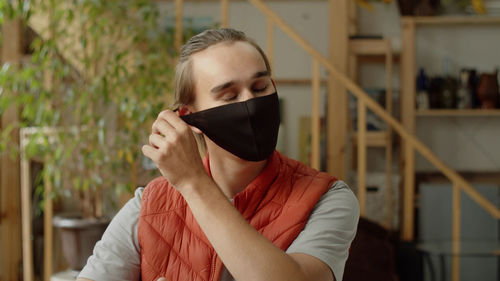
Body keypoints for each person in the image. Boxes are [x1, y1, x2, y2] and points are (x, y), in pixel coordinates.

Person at [77, 28, 359, 281]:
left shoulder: (327, 198)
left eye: (260, 87)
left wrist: (193, 183)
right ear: (191, 118)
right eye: (229, 95)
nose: (250, 101)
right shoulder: (149, 206)